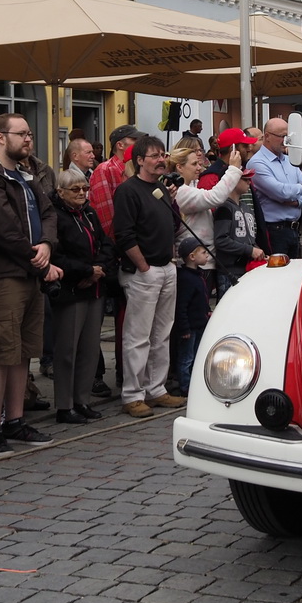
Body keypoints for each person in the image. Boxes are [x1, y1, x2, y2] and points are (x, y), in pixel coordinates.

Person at [0, 112, 58, 456]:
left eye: (29, 133)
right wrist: (35, 256)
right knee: (0, 352)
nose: (29, 139)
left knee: (23, 352)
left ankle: (15, 420)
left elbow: (49, 213)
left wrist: (46, 245)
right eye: (22, 134)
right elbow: (2, 226)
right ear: (1, 138)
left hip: (30, 272)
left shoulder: (25, 175)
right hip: (2, 274)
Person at [113, 137, 184, 418]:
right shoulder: (128, 191)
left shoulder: (160, 189)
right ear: (140, 160)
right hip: (145, 271)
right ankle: (133, 394)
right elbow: (124, 234)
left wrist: (172, 201)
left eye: (162, 155)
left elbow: (171, 225)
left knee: (162, 333)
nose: (161, 160)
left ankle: (156, 388)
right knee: (138, 336)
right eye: (154, 156)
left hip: (166, 267)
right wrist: (143, 266)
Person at [49, 167, 110, 424]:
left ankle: (82, 400)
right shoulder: (56, 216)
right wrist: (86, 271)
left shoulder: (89, 213)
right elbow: (56, 254)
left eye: (85, 188)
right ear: (61, 192)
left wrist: (99, 268)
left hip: (94, 288)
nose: (82, 193)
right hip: (71, 290)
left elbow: (106, 244)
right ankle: (65, 406)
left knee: (89, 348)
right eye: (75, 189)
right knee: (67, 350)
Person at [170, 141, 243, 280]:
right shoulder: (181, 192)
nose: (199, 168)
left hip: (202, 259)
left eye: (199, 163)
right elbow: (215, 197)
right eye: (194, 164)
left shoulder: (190, 187)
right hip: (194, 263)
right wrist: (233, 169)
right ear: (179, 167)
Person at [248, 118, 302, 257]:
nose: (286, 141)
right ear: (267, 136)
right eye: (282, 136)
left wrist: (298, 202)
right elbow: (281, 192)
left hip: (294, 228)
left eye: (288, 136)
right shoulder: (257, 163)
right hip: (274, 231)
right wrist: (300, 187)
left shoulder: (289, 160)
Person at [212, 162, 265, 297]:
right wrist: (250, 250)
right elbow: (221, 240)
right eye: (245, 179)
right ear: (233, 180)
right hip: (229, 272)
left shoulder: (246, 208)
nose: (249, 182)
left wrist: (257, 251)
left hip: (247, 269)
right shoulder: (224, 208)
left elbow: (249, 239)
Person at [171, 235, 210, 396]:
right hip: (190, 327)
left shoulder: (198, 275)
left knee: (196, 355)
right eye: (203, 252)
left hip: (200, 323)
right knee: (186, 357)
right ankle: (185, 385)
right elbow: (181, 305)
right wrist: (184, 328)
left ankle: (194, 383)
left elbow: (202, 297)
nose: (207, 255)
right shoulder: (186, 278)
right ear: (192, 257)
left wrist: (207, 310)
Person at [87, 123, 140, 242]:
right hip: (119, 244)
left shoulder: (137, 168)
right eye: (134, 139)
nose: (139, 143)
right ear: (120, 145)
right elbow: (106, 217)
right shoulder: (105, 170)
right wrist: (117, 245)